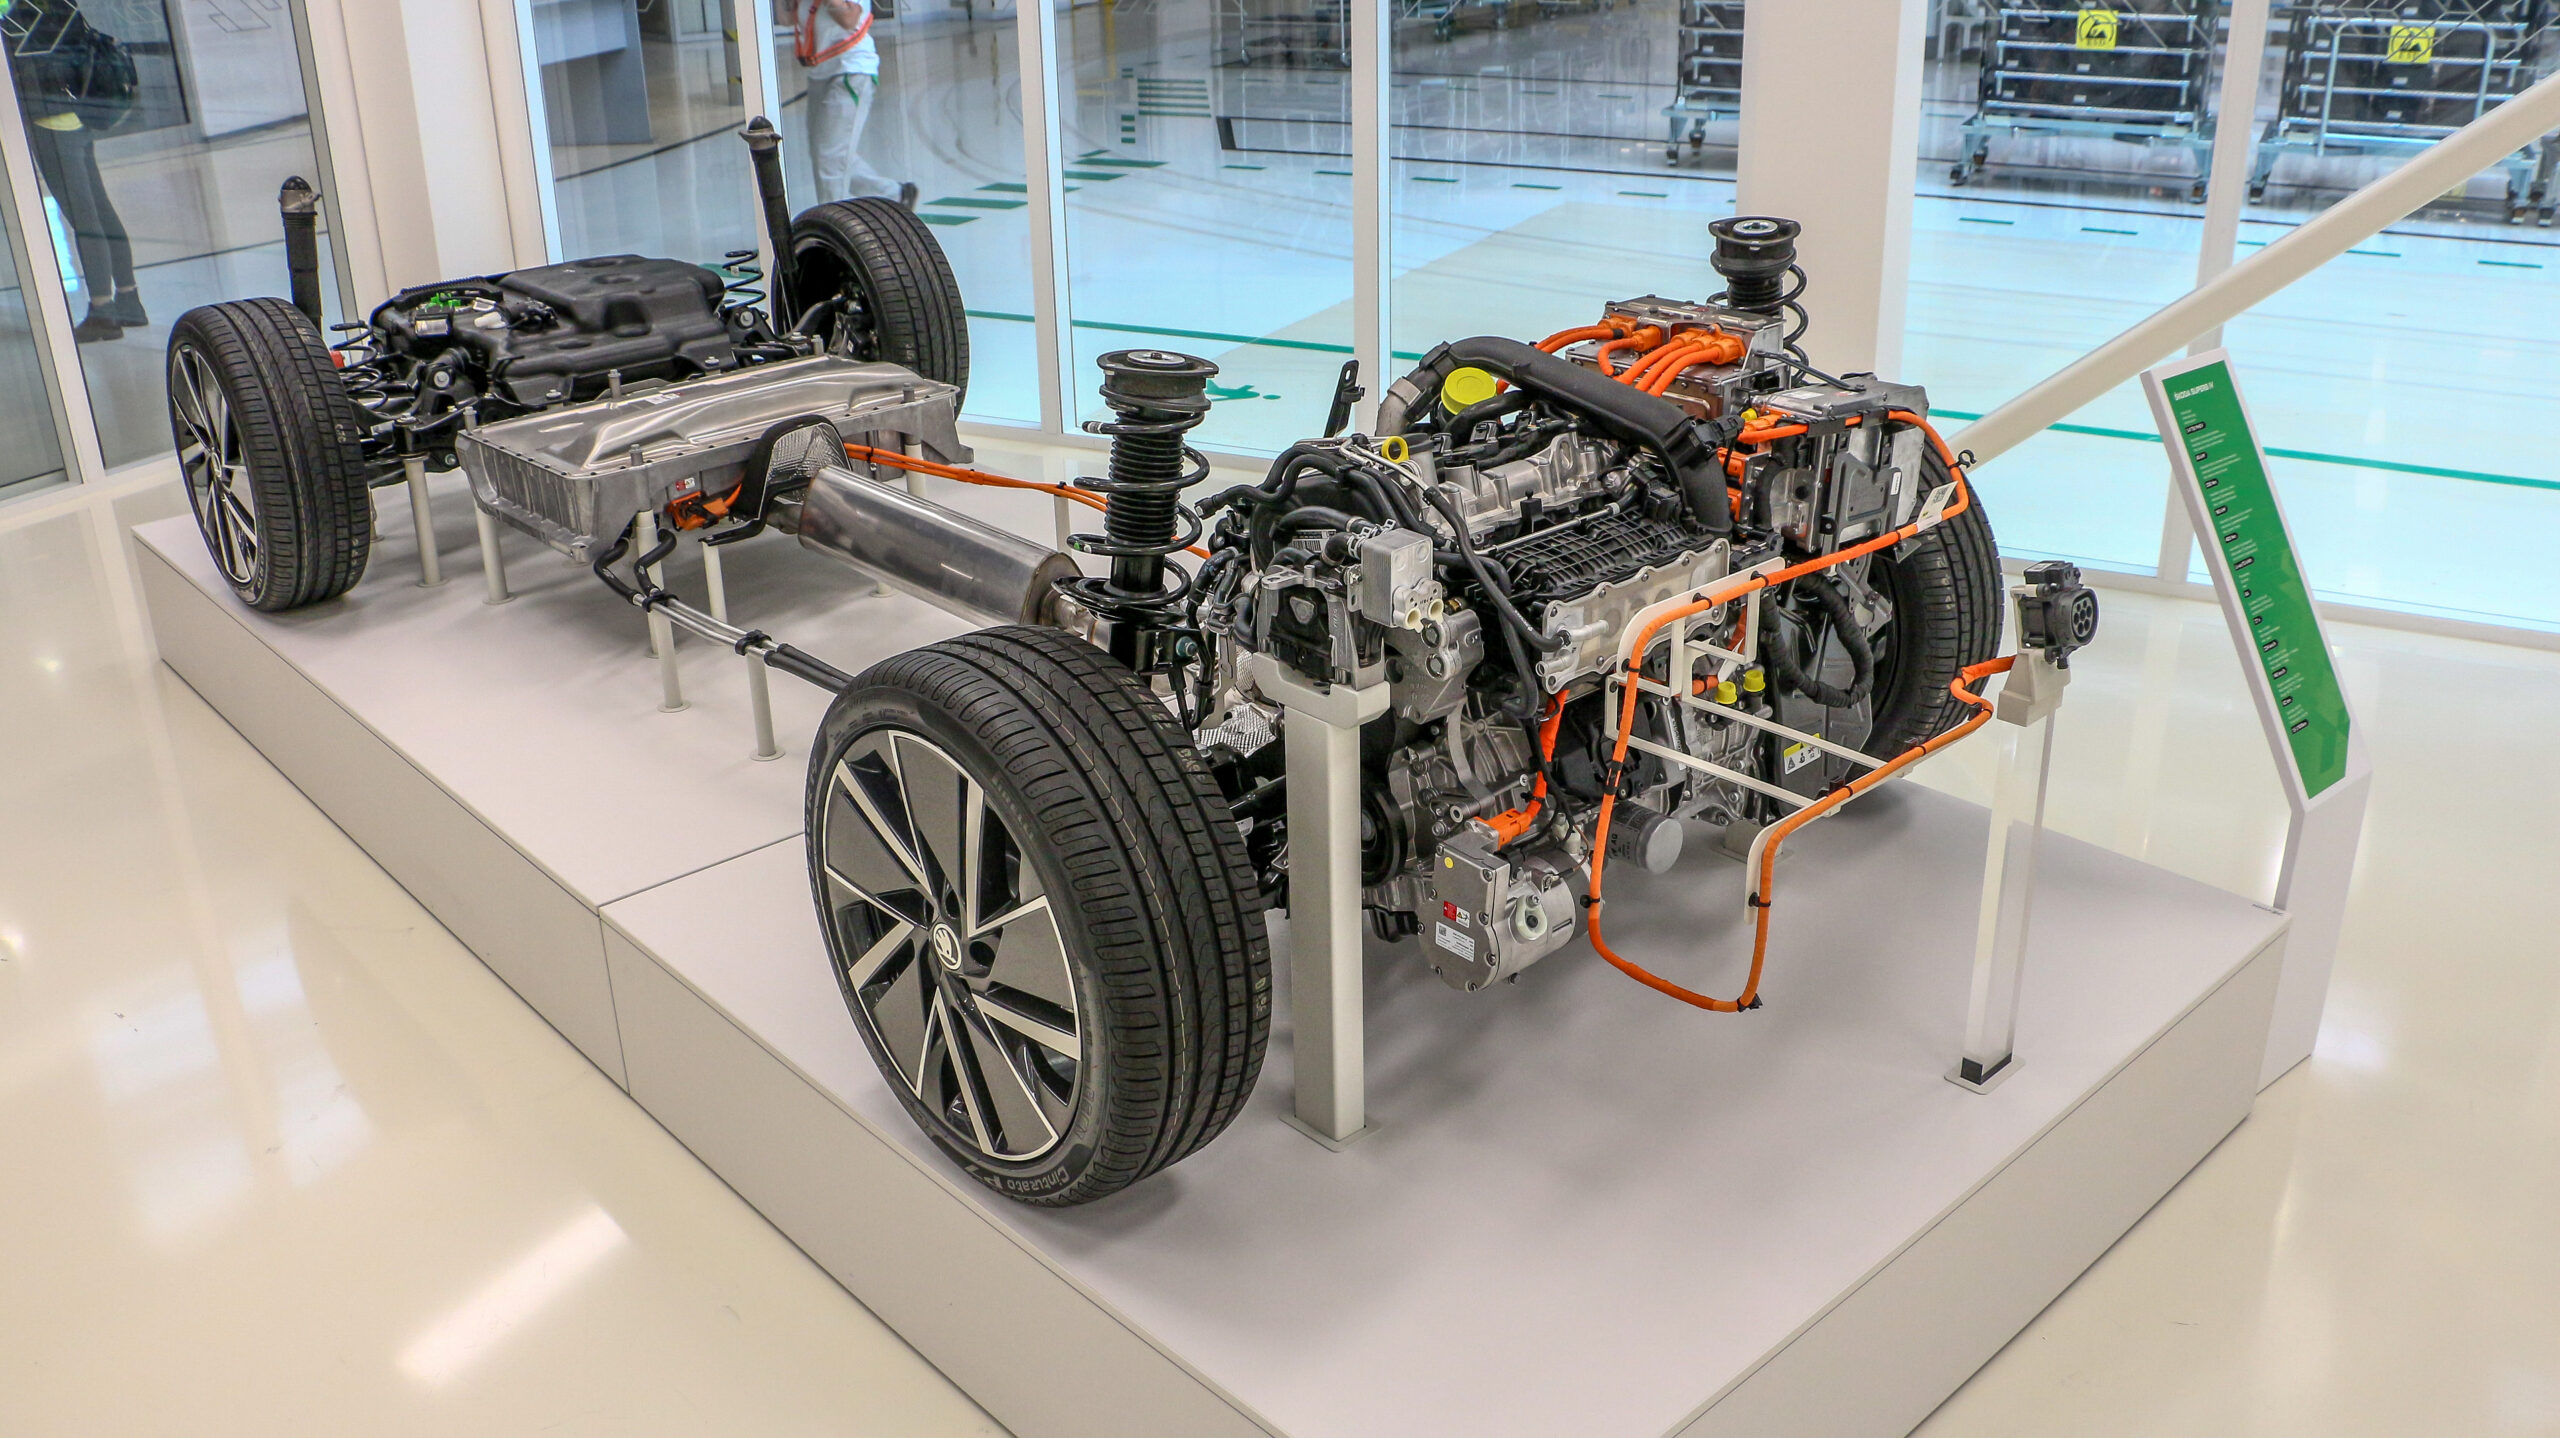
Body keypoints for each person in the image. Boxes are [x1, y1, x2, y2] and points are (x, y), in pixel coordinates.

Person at [1, 0, 142, 341]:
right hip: (78, 116)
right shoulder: (63, 5)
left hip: (52, 123)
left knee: (85, 218)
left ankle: (102, 311)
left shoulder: (23, 13)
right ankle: (129, 299)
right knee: (99, 209)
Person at [795, 0, 915, 209]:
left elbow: (849, 19)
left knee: (830, 160)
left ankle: (833, 222)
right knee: (826, 155)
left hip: (851, 69)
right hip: (820, 72)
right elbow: (786, 17)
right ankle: (893, 195)